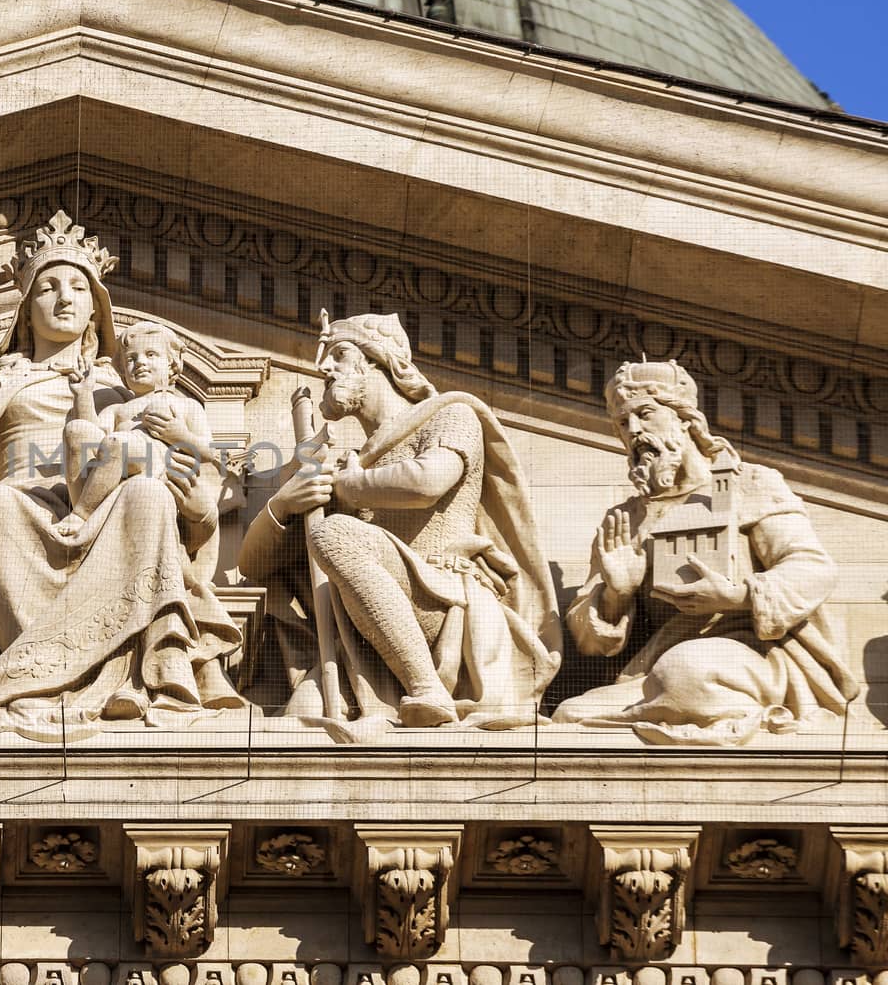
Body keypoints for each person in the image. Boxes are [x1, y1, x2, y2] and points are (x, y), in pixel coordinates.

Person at [0, 211, 244, 738]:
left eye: (79, 286)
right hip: (19, 516)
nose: (65, 297)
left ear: (97, 311)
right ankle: (42, 676)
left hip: (107, 522)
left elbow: (201, 478)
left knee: (144, 492)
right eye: (48, 287)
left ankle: (134, 673)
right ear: (26, 312)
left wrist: (197, 500)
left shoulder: (128, 392)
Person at [240, 312, 560, 735]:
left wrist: (349, 488)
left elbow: (428, 481)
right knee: (290, 727)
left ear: (380, 361)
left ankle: (427, 690)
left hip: (441, 605)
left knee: (334, 532)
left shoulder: (449, 415)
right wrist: (282, 505)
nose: (324, 368)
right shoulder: (343, 465)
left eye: (339, 354)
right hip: (365, 640)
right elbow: (251, 567)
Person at [552, 360, 858, 744]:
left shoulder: (750, 484)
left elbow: (812, 568)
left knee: (687, 670)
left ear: (685, 419)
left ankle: (728, 712)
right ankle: (690, 712)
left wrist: (738, 596)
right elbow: (588, 640)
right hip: (658, 662)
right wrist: (616, 594)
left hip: (755, 652)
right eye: (622, 424)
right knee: (571, 713)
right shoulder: (625, 519)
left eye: (645, 415)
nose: (634, 433)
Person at [56, 319, 213, 537]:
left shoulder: (185, 404)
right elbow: (91, 442)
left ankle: (82, 515)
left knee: (119, 442)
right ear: (123, 370)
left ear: (171, 363)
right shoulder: (118, 410)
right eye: (131, 358)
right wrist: (83, 395)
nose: (139, 362)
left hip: (157, 464)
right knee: (75, 429)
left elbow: (209, 451)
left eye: (151, 354)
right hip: (118, 456)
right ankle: (85, 504)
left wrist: (179, 434)